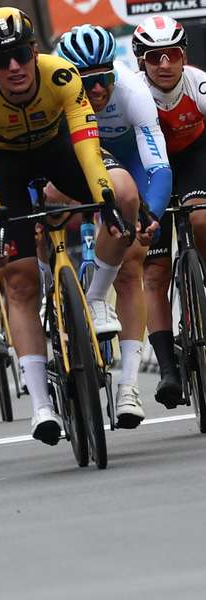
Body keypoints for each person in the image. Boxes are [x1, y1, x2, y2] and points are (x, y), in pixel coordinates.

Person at [0, 8, 131, 445]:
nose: (14, 67)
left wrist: (105, 199)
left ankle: (95, 299)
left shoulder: (61, 76)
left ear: (34, 50)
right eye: (2, 60)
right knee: (18, 280)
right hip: (5, 165)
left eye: (20, 54)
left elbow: (88, 147)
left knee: (122, 193)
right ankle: (40, 404)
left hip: (60, 149)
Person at [56, 24, 170, 427]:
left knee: (133, 263)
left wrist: (151, 214)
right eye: (86, 83)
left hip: (127, 162)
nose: (98, 90)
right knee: (47, 205)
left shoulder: (132, 92)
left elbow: (157, 165)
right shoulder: (55, 93)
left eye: (103, 79)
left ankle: (128, 388)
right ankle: (49, 285)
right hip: (75, 163)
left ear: (114, 74)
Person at [133, 15, 206, 408]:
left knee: (200, 218)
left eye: (172, 54)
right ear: (141, 61)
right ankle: (167, 368)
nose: (164, 64)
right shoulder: (135, 91)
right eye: (154, 57)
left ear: (183, 56)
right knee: (155, 269)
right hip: (149, 166)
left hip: (195, 158)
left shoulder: (198, 82)